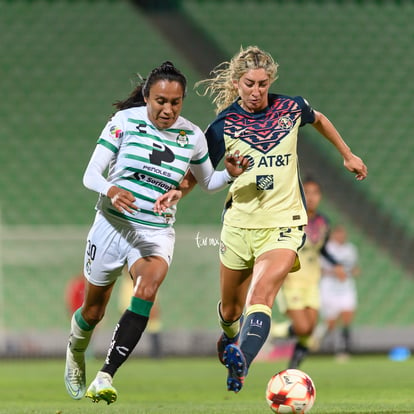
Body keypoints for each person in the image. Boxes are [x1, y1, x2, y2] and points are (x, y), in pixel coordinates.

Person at [157, 45, 367, 393]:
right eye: (250, 83)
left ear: (271, 81)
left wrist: (347, 154)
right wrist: (179, 192)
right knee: (230, 309)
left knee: (263, 293)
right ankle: (229, 336)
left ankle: (242, 362)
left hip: (285, 224)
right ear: (237, 83)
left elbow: (320, 119)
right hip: (239, 226)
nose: (257, 91)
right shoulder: (224, 125)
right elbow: (198, 172)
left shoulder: (291, 107)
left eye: (263, 83)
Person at [63, 61, 249, 405]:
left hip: (156, 230)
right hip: (111, 225)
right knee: (93, 312)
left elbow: (207, 182)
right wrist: (111, 190)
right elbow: (90, 175)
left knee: (147, 288)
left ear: (182, 101)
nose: (167, 109)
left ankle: (106, 374)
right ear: (147, 97)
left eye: (175, 102)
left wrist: (231, 174)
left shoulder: (191, 135)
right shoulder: (124, 122)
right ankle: (76, 352)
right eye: (160, 101)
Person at [271, 178, 345, 369]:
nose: (311, 197)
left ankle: (293, 368)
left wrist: (336, 264)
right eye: (307, 192)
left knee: (309, 330)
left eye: (315, 193)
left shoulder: (323, 222)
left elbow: (321, 250)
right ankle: (272, 330)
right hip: (291, 281)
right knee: (303, 328)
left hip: (312, 282)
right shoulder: (290, 217)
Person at [319, 224, 360, 361]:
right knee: (331, 321)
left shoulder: (351, 249)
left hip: (345, 286)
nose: (341, 237)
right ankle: (326, 339)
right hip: (329, 287)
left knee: (347, 314)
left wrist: (353, 271)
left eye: (343, 234)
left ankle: (343, 347)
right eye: (338, 234)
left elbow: (353, 267)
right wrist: (334, 272)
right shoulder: (326, 248)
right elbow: (319, 269)